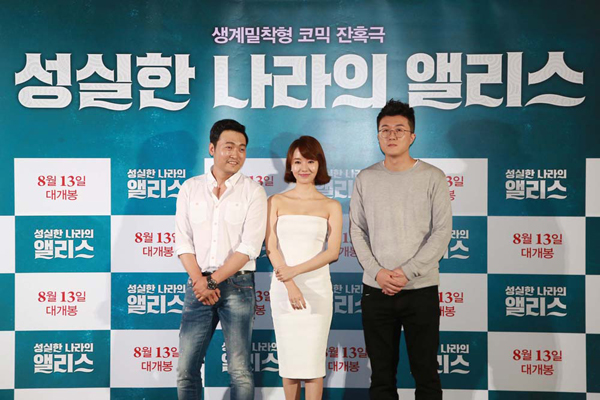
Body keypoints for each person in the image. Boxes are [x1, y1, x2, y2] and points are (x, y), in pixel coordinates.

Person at [349, 99, 452, 400]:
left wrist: (407, 272)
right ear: (377, 136)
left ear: (412, 136)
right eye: (385, 130)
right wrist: (378, 273)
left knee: (426, 375)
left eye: (399, 129)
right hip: (376, 290)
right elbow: (357, 230)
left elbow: (442, 231)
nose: (391, 135)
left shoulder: (433, 177)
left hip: (420, 289)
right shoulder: (365, 178)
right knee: (381, 378)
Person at [175, 119, 267, 400]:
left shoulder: (254, 191)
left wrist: (212, 282)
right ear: (212, 148)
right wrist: (200, 282)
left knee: (239, 370)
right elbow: (183, 242)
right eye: (229, 147)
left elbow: (249, 247)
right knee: (186, 369)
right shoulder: (190, 188)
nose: (236, 154)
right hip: (198, 285)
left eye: (242, 148)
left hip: (238, 286)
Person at [265, 136, 342, 400]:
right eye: (298, 162)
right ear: (290, 165)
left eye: (310, 161)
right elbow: (271, 247)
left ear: (319, 164)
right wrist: (289, 283)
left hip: (317, 289)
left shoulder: (331, 206)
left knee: (313, 362)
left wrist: (294, 271)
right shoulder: (275, 201)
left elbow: (332, 252)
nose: (304, 168)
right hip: (283, 288)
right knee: (289, 360)